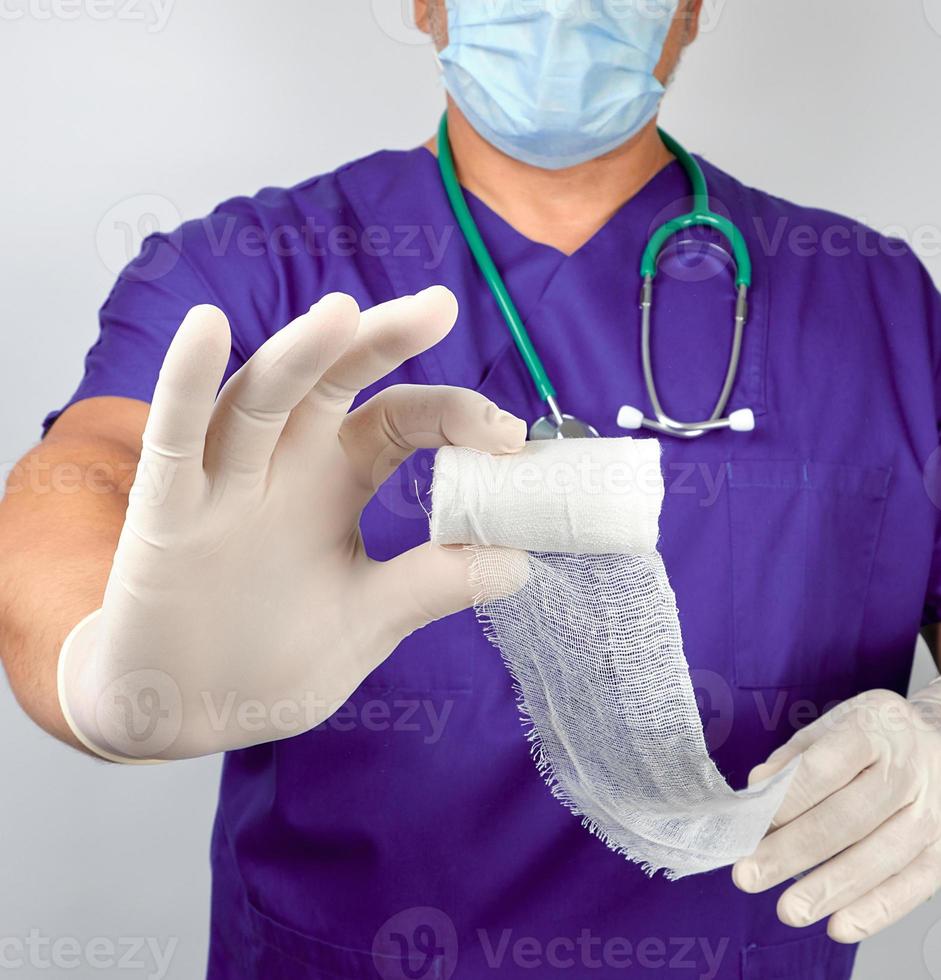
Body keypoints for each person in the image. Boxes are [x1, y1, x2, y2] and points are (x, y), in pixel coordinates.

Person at [1, 1, 941, 977]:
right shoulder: (253, 270)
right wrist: (95, 670)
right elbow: (83, 478)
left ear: (691, 8)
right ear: (424, 2)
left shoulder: (878, 303)